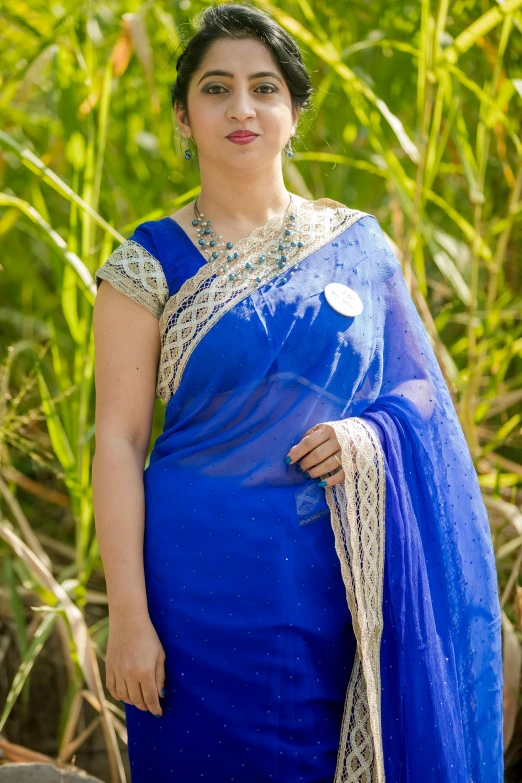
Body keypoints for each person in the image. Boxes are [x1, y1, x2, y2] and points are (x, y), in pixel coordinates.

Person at [91, 4, 503, 782]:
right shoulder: (147, 266)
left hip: (334, 584)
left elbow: (421, 396)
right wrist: (130, 616)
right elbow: (117, 440)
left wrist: (366, 438)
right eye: (216, 89)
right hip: (191, 593)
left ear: (293, 111)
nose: (241, 108)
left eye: (263, 87)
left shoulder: (358, 248)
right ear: (183, 117)